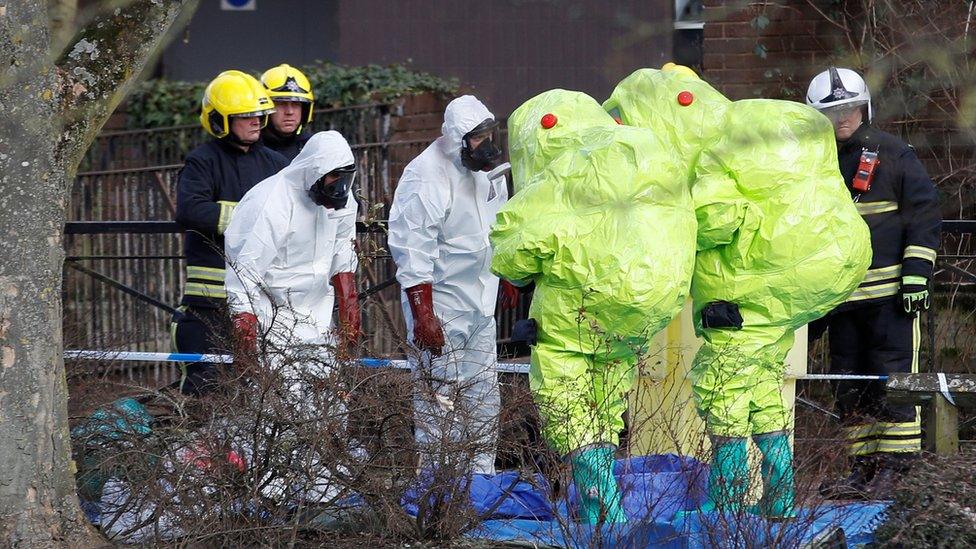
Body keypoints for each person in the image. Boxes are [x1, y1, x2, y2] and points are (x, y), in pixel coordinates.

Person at [605, 64, 871, 518]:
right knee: (765, 388)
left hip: (740, 299)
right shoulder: (744, 145)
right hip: (783, 295)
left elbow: (718, 218)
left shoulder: (714, 155)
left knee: (723, 389)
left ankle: (724, 503)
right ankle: (780, 496)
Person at [490, 89, 697, 524]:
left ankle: (606, 511)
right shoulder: (647, 156)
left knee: (567, 401)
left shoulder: (562, 173)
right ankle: (591, 505)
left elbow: (514, 253)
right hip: (649, 302)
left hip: (578, 306)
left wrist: (522, 273)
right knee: (605, 400)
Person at [806, 67, 941, 497]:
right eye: (832, 111)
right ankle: (862, 469)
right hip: (841, 299)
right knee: (849, 386)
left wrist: (917, 272)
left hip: (891, 298)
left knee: (893, 381)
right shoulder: (813, 162)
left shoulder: (894, 153)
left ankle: (897, 472)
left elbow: (923, 214)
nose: (842, 117)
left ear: (864, 107)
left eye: (849, 108)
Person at [223, 130, 361, 503]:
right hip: (273, 317)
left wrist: (349, 305)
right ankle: (272, 493)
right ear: (314, 172)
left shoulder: (343, 200)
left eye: (344, 179)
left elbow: (343, 252)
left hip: (316, 317)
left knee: (328, 406)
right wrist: (246, 336)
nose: (339, 187)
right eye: (333, 178)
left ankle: (321, 490)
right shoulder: (271, 201)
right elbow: (243, 275)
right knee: (274, 412)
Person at [387, 95, 517, 476]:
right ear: (457, 138)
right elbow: (413, 247)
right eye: (477, 137)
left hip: (479, 302)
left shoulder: (486, 172)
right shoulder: (426, 174)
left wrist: (505, 271)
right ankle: (441, 484)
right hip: (441, 303)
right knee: (439, 398)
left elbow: (500, 224)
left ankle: (479, 478)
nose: (487, 144)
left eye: (489, 134)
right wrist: (422, 313)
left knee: (483, 396)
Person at [172, 70, 288, 395]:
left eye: (259, 115)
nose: (256, 121)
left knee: (260, 393)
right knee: (206, 389)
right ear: (221, 121)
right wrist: (251, 218)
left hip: (264, 298)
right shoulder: (201, 162)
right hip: (209, 300)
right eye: (245, 115)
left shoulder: (276, 164)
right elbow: (191, 211)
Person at [260, 64, 315, 161]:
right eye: (281, 104)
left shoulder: (313, 148)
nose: (289, 112)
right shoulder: (250, 150)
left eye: (296, 104)